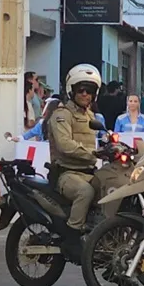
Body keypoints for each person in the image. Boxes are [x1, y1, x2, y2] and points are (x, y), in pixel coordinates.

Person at [47, 64, 101, 256]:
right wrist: (94, 154)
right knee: (85, 192)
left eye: (90, 90)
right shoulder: (62, 115)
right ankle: (71, 237)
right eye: (81, 90)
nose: (85, 94)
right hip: (67, 173)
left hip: (88, 172)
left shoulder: (90, 115)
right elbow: (65, 145)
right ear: (72, 90)